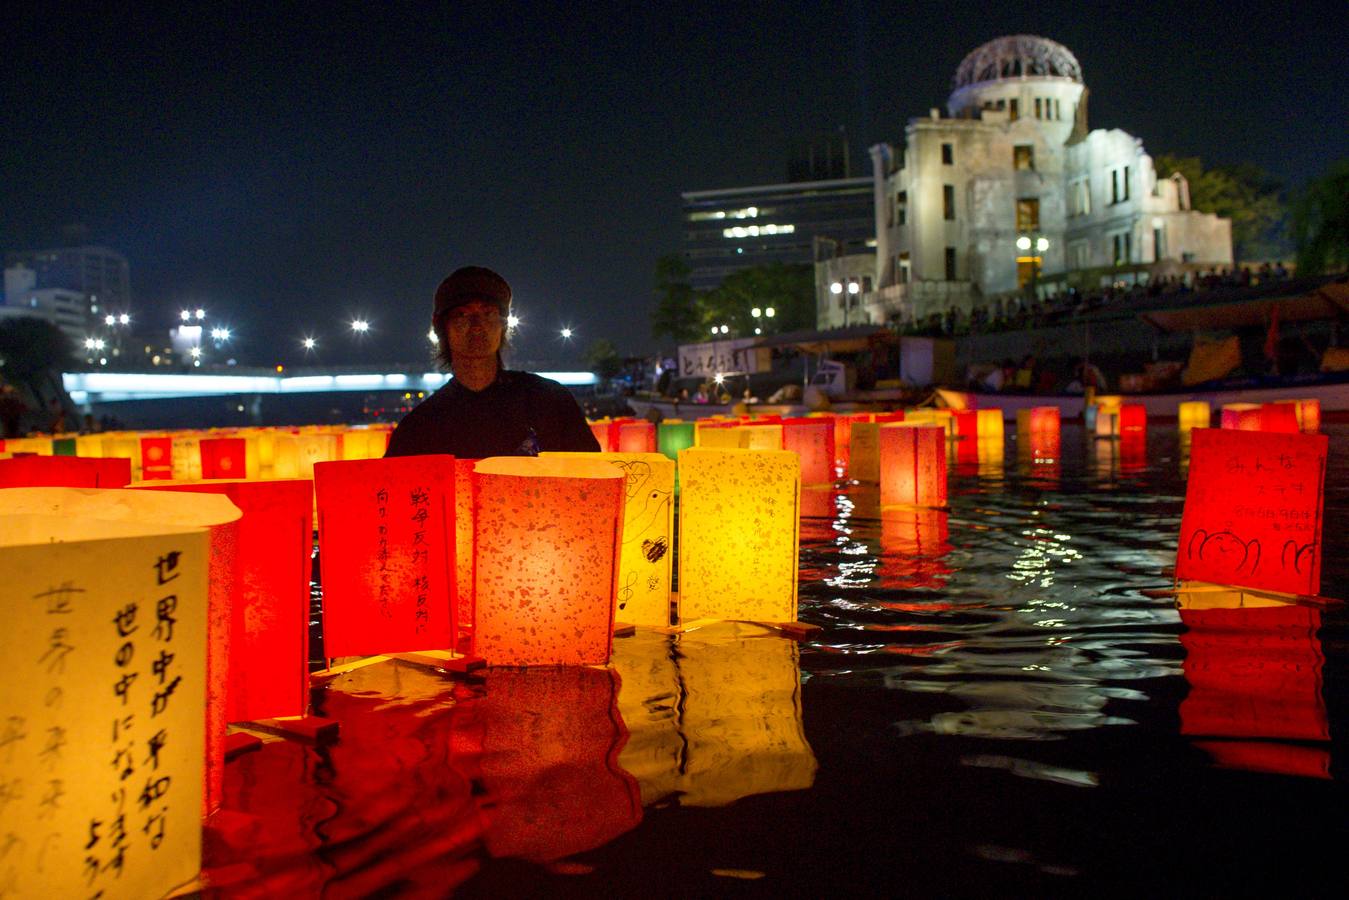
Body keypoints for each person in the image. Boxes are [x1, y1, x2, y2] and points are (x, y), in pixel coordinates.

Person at [385, 266, 599, 458]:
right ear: (441, 326)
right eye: (462, 314)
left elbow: (593, 483)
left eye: (488, 313)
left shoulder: (551, 402)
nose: (477, 325)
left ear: (503, 324)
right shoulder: (418, 429)